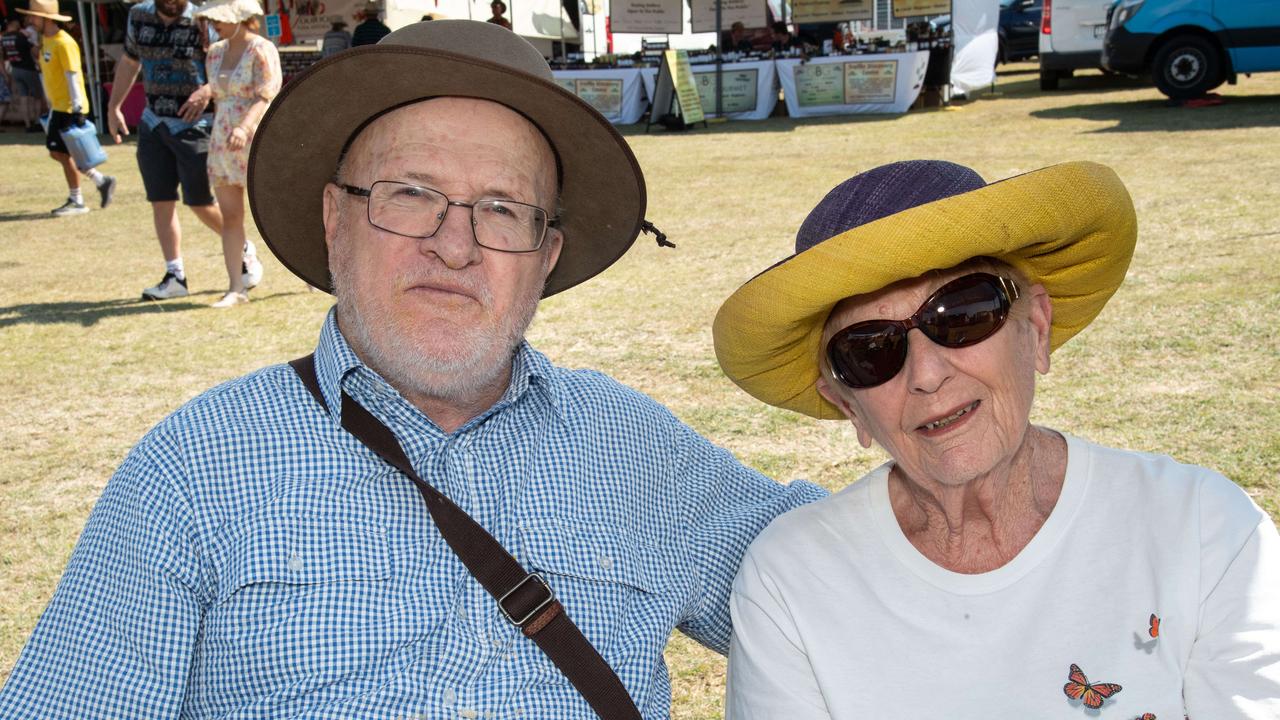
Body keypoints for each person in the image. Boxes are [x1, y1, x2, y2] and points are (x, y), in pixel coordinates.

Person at [0, 20, 824, 718]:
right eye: (409, 193)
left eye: (502, 209)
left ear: (545, 257)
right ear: (335, 220)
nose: (454, 245)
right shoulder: (196, 469)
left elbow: (855, 577)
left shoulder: (641, 454)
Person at [713, 160, 1280, 718]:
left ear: (1034, 329)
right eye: (869, 350)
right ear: (848, 404)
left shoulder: (1204, 529)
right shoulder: (792, 579)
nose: (927, 373)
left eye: (962, 313)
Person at [105, 0, 263, 301]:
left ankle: (242, 248)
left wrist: (206, 92)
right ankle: (174, 274)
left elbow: (228, 62)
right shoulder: (138, 16)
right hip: (153, 120)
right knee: (160, 200)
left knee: (199, 201)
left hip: (197, 125)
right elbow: (129, 61)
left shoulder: (204, 19)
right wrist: (114, 106)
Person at [196, 0, 281, 308]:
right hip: (222, 142)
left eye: (219, 18)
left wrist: (245, 127)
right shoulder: (215, 51)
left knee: (278, 212)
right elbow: (219, 97)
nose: (214, 23)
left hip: (256, 138)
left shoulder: (261, 49)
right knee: (231, 216)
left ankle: (307, 274)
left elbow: (266, 94)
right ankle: (236, 286)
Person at [17, 0, 116, 216]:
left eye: (34, 17)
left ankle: (78, 199)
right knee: (60, 152)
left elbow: (72, 75)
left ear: (46, 18)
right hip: (59, 106)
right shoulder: (46, 42)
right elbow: (48, 74)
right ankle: (99, 182)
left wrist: (78, 107)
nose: (31, 21)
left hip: (70, 107)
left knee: (63, 152)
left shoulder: (64, 43)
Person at [2, 16, 41, 132]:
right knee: (37, 97)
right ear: (14, 24)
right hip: (28, 69)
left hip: (15, 69)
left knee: (24, 97)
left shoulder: (4, 38)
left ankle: (27, 124)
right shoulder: (21, 36)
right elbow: (35, 51)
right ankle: (38, 122)